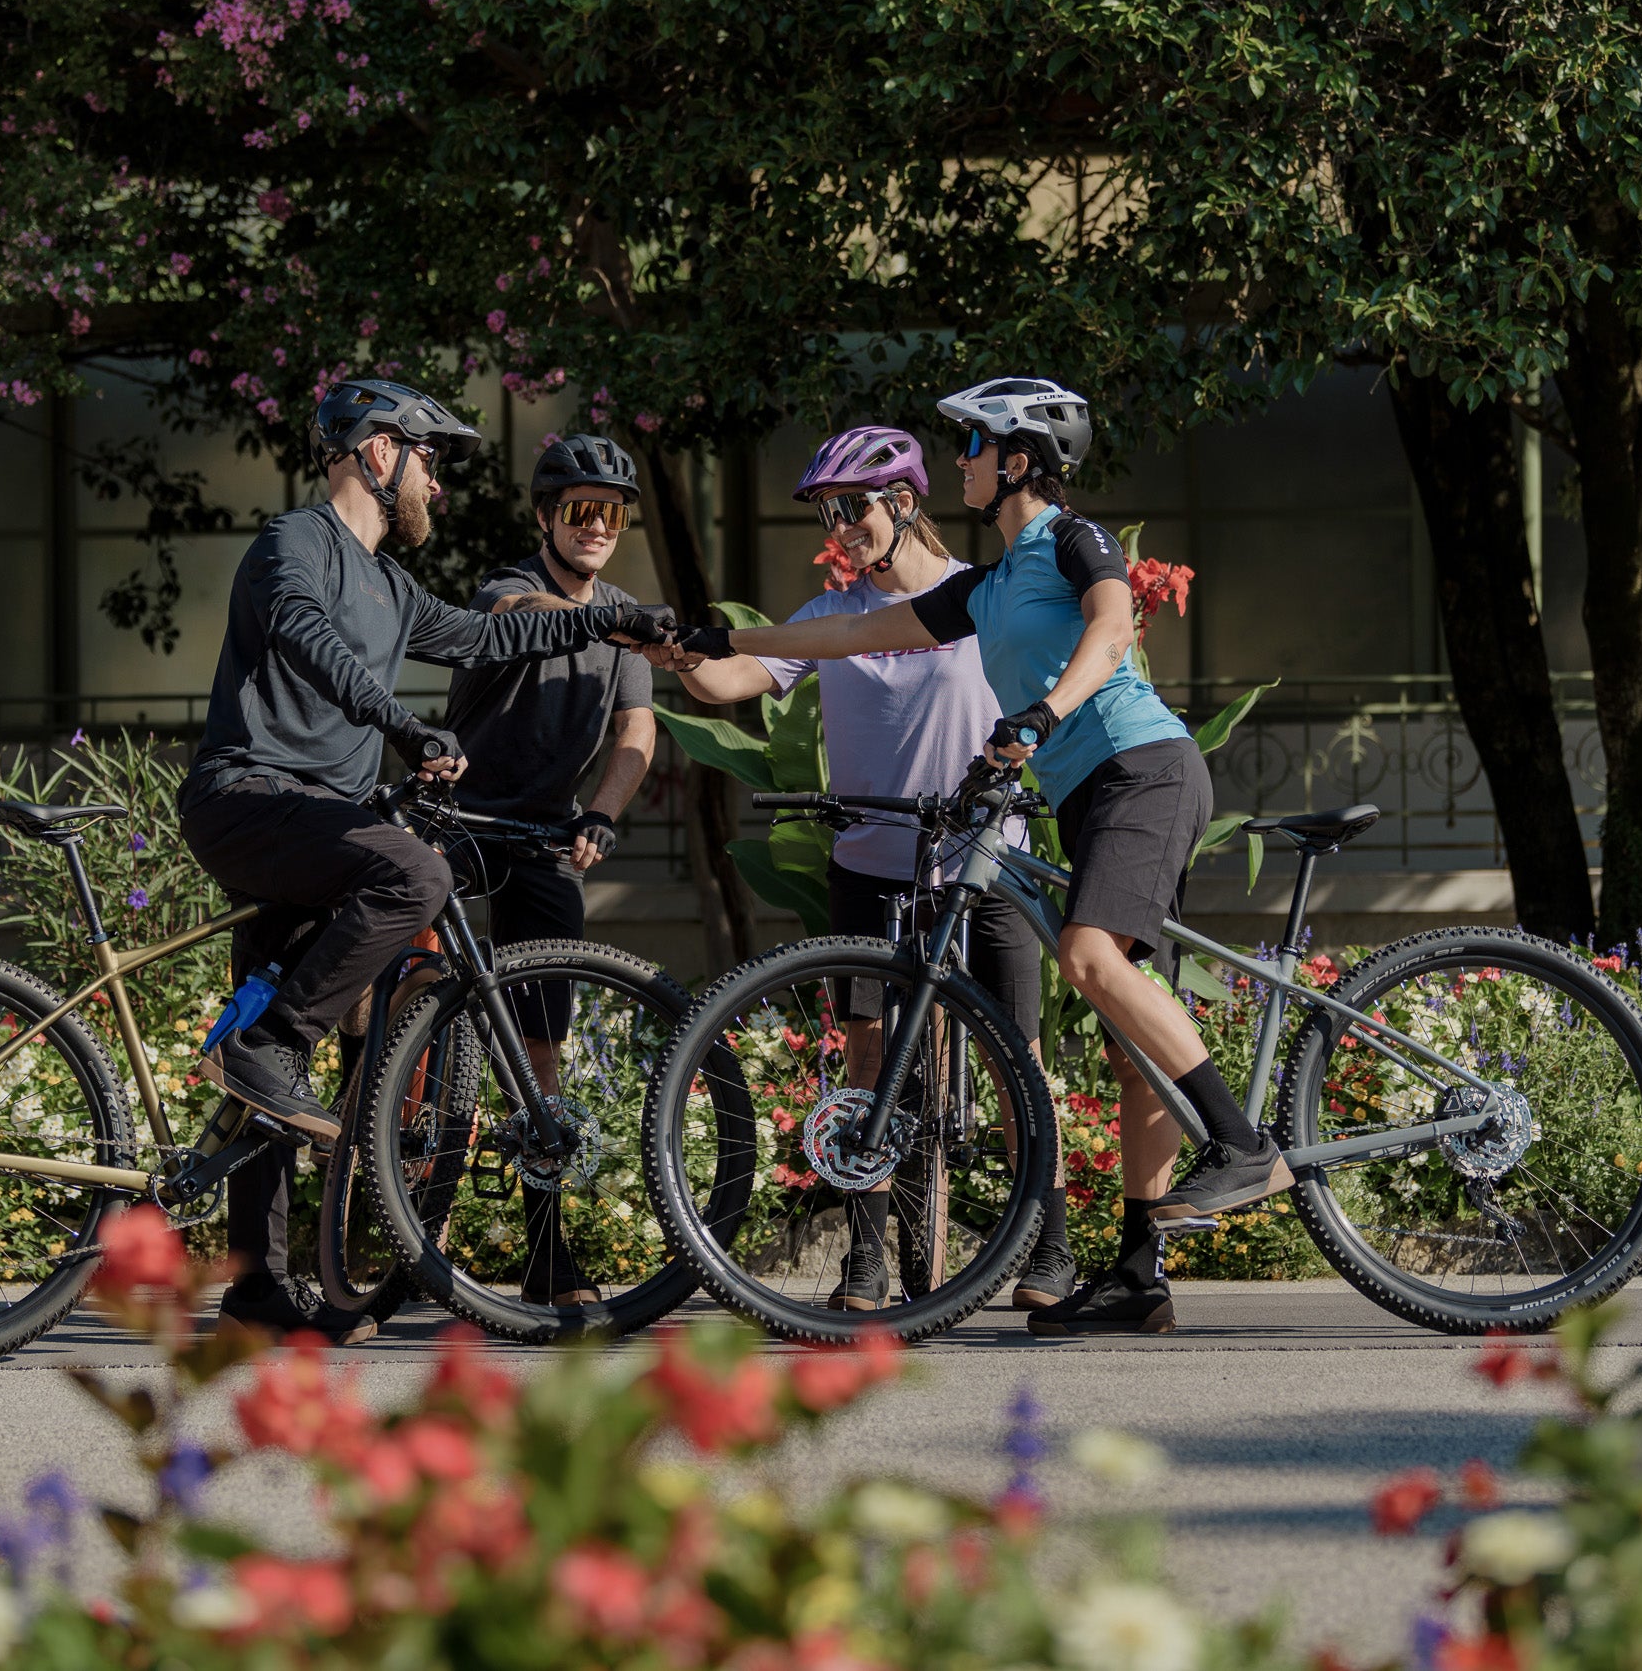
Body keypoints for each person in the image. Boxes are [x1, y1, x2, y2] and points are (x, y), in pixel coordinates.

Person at [667, 377, 1289, 1338]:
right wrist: (722, 636)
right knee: (1129, 1040)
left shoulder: (1074, 539)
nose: (960, 461)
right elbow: (846, 631)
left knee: (1085, 961)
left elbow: (1114, 625)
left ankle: (1244, 1143)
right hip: (1084, 791)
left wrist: (1039, 713)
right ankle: (1135, 1276)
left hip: (1144, 767)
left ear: (1020, 459)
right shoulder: (985, 590)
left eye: (973, 446)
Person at [178, 379, 675, 1338]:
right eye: (430, 461)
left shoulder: (395, 586)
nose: (438, 487)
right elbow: (303, 634)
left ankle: (255, 1290)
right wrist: (402, 724)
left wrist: (610, 621)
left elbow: (491, 633)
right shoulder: (297, 544)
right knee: (416, 872)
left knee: (273, 1063)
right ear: (377, 453)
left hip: (314, 827)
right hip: (252, 797)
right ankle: (268, 1045)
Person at [662, 425, 1073, 1312]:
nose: (840, 529)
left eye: (852, 509)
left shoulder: (977, 600)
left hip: (985, 860)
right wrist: (678, 650)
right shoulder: (826, 619)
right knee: (868, 1057)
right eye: (827, 513)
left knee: (1019, 1054)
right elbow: (726, 684)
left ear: (903, 503)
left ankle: (1049, 1243)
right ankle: (868, 1257)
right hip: (872, 865)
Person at [436, 433, 658, 1305]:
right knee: (422, 1014)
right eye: (579, 510)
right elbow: (511, 614)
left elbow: (637, 734)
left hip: (544, 832)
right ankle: (407, 1217)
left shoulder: (626, 612)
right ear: (547, 518)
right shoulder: (509, 584)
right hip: (459, 820)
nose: (597, 524)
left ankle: (545, 1257)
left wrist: (602, 811)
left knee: (541, 1049)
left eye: (611, 512)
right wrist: (600, 618)